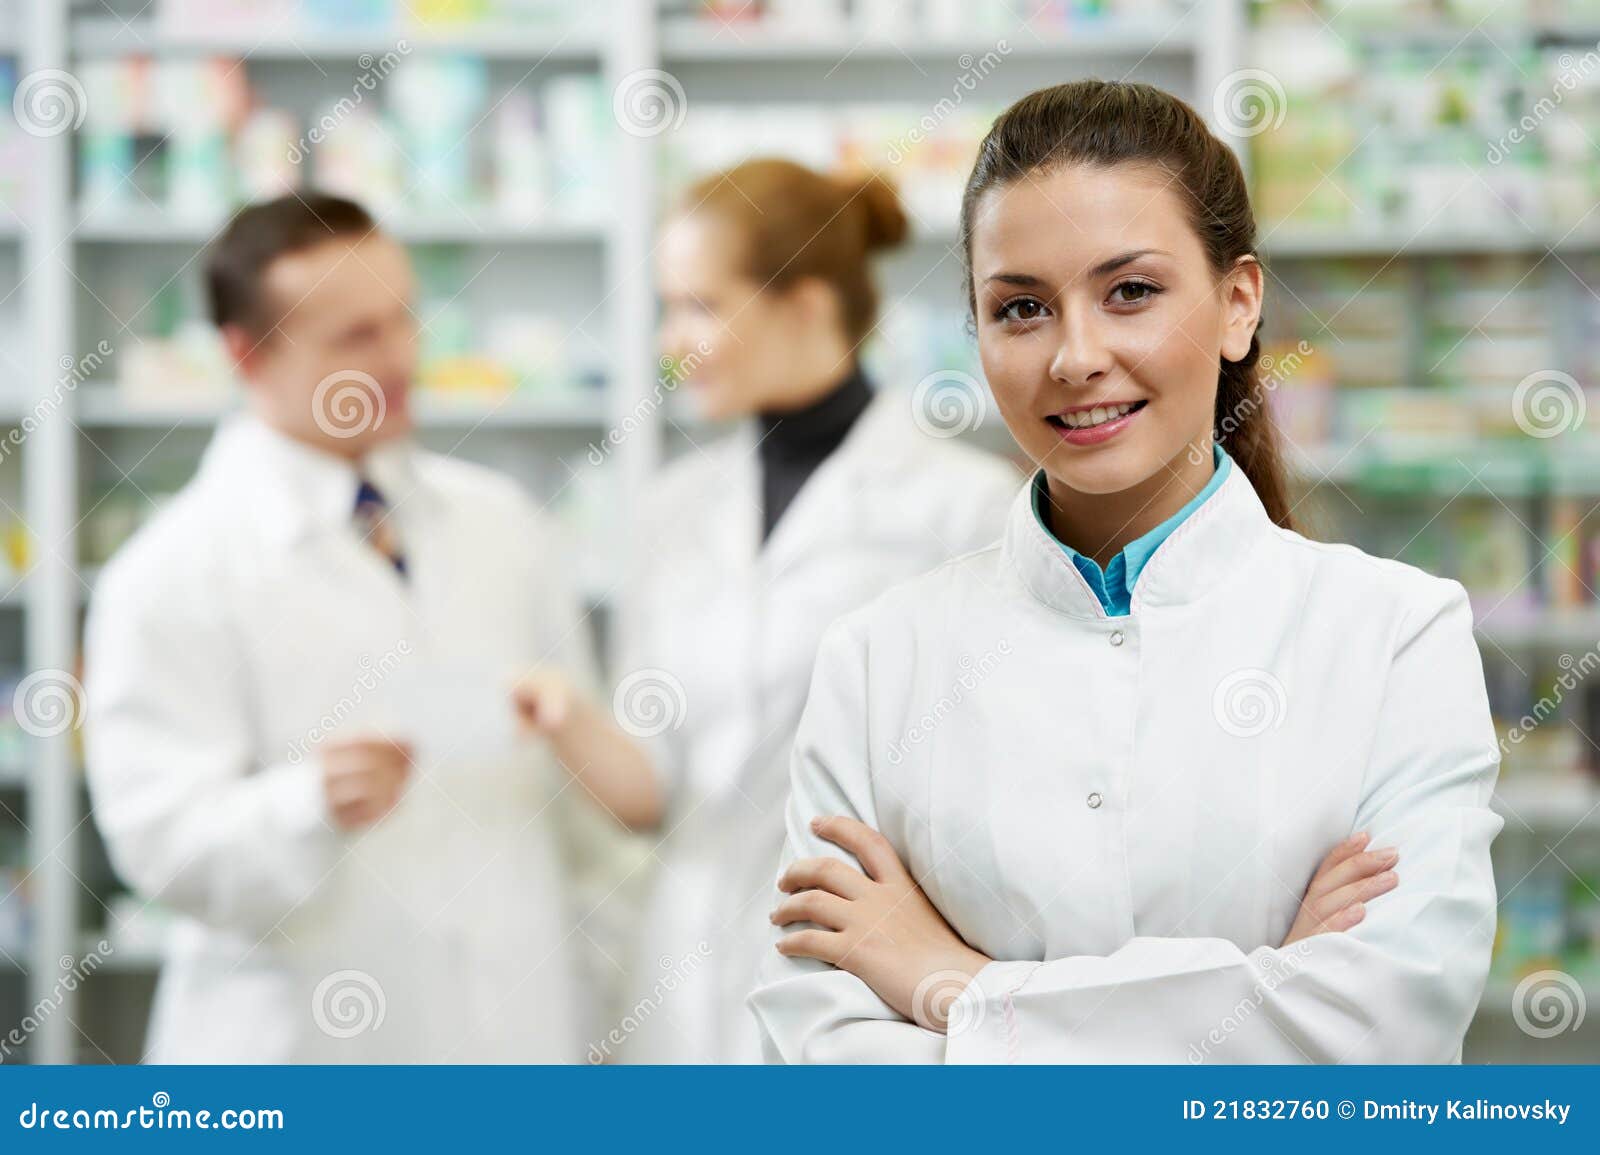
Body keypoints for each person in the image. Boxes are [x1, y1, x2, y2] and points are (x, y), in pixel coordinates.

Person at [751, 82, 1504, 1063]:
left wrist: (958, 990)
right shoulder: (876, 660)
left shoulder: (1396, 634)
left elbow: (1380, 1031)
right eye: (1019, 307)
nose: (1074, 356)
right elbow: (823, 1059)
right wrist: (1264, 990)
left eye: (1130, 292)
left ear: (1238, 305)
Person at [83, 192, 659, 1063]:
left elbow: (579, 813)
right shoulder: (170, 573)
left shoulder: (498, 521)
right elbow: (157, 843)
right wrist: (306, 802)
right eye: (355, 337)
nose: (399, 359)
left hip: (519, 1031)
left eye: (404, 321)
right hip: (303, 1046)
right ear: (247, 355)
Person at [611, 159, 1018, 1063]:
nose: (674, 342)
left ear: (805, 303)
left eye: (703, 307)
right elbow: (655, 771)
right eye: (667, 308)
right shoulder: (671, 511)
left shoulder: (963, 507)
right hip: (680, 981)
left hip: (865, 994)